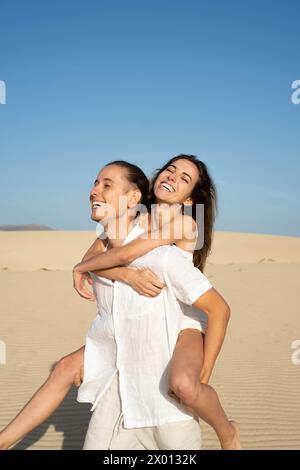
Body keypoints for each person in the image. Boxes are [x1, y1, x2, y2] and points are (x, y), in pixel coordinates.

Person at [0, 157, 241, 450]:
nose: (172, 177)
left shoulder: (185, 222)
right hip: (146, 314)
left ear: (190, 197)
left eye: (184, 178)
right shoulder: (135, 218)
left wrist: (205, 374)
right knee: (65, 368)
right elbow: (92, 260)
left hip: (182, 318)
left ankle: (227, 432)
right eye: (170, 169)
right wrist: (123, 275)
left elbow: (128, 253)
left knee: (186, 386)